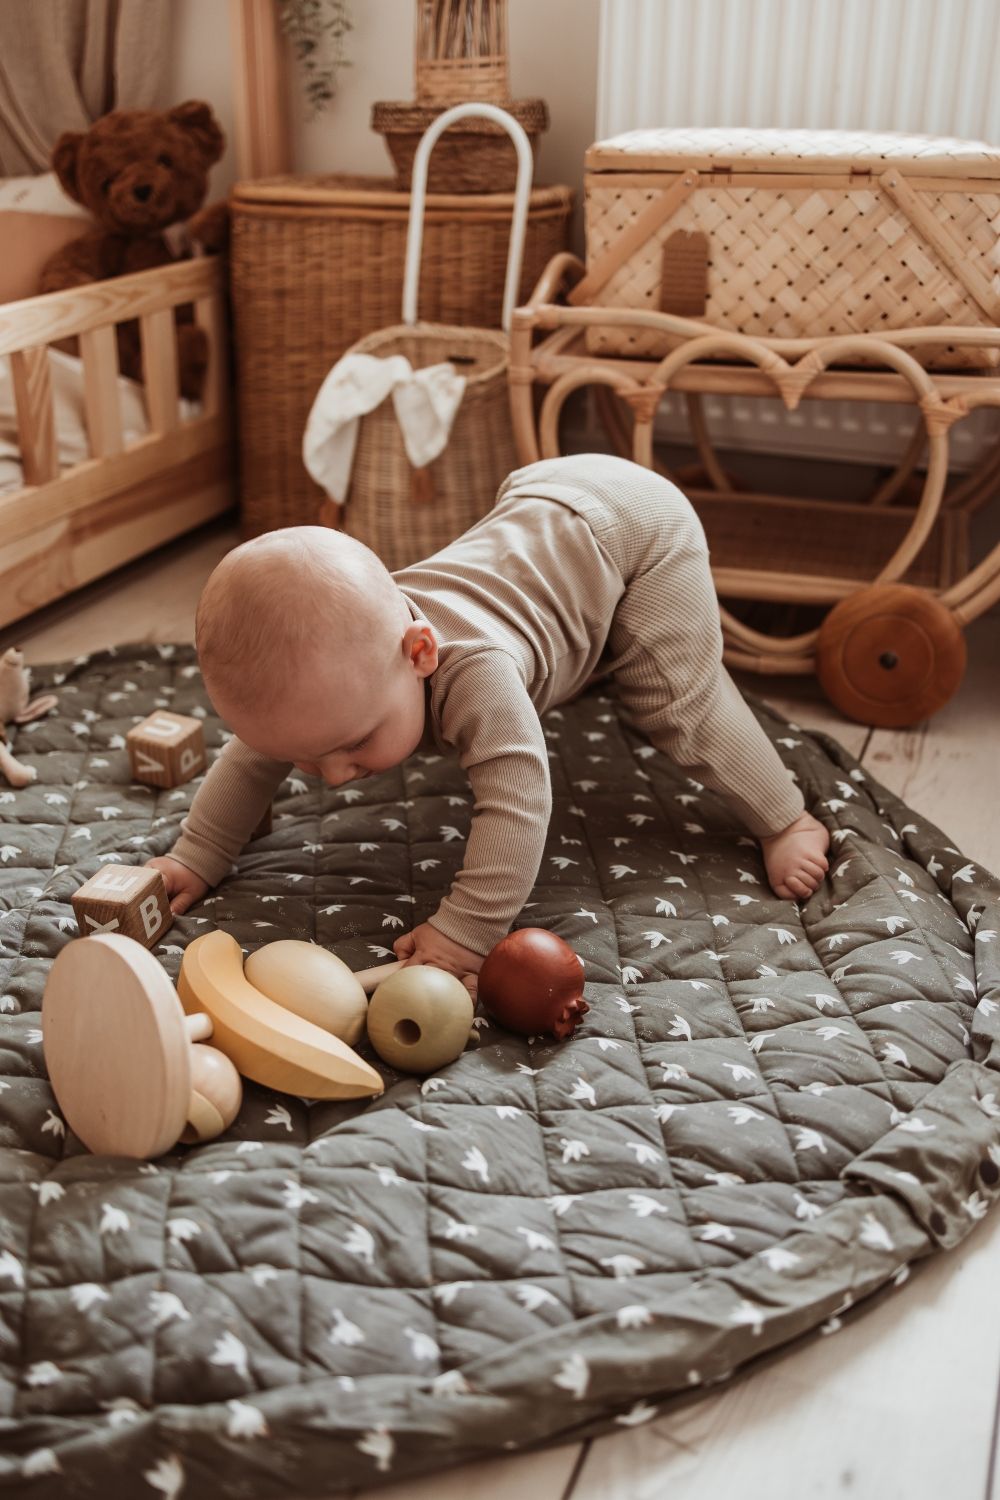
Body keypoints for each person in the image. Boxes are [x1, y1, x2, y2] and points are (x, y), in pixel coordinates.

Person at [148, 454, 829, 981]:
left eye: (353, 745)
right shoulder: (352, 664)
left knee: (676, 702)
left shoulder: (478, 673)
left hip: (636, 529)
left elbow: (519, 801)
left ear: (420, 654)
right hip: (542, 498)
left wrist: (466, 930)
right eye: (304, 760)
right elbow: (250, 753)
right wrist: (198, 853)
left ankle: (786, 817)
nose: (333, 777)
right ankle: (591, 643)